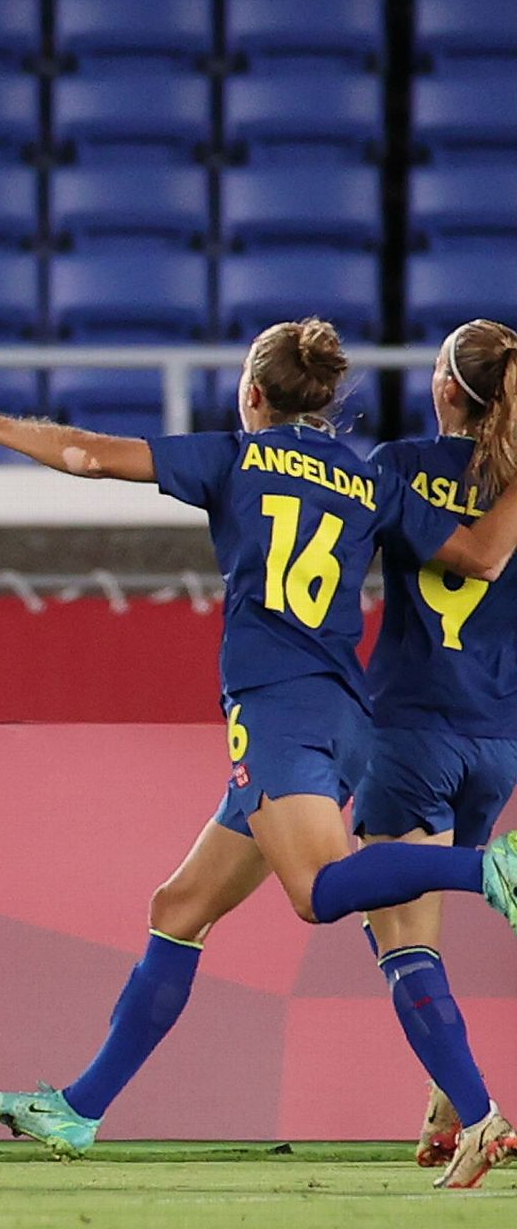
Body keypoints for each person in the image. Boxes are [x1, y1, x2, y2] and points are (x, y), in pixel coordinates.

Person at [0, 318, 517, 1189]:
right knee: (179, 904)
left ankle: (485, 869)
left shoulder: (236, 459)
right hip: (345, 712)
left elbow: (89, 458)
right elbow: (478, 555)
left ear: (252, 394)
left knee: (319, 893)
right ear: (325, 397)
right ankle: (80, 1107)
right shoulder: (367, 480)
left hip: (279, 708)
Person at [354, 319, 517, 1184]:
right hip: (499, 736)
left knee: (398, 933)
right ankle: (445, 1108)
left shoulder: (397, 463)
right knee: (432, 903)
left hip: (410, 723)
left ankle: (482, 1112)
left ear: (448, 388)